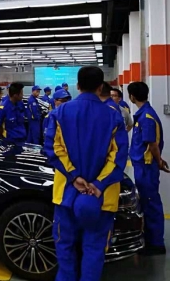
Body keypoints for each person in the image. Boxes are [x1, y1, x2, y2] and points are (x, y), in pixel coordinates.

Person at [43, 66, 128, 281]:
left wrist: (74, 176)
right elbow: (118, 157)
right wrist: (98, 184)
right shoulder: (114, 117)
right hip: (101, 198)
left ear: (78, 86)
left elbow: (53, 149)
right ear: (101, 87)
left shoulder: (59, 113)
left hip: (66, 194)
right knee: (95, 249)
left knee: (65, 246)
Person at [127, 81, 170, 255]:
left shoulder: (147, 117)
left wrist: (159, 161)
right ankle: (150, 239)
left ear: (132, 97)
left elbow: (152, 144)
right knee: (146, 202)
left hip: (146, 167)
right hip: (142, 166)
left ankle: (157, 244)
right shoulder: (143, 114)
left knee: (151, 203)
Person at [0, 83, 27, 148]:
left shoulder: (20, 104)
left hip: (22, 140)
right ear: (15, 95)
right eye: (21, 93)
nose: (22, 95)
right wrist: (4, 140)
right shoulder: (3, 108)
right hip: (10, 142)